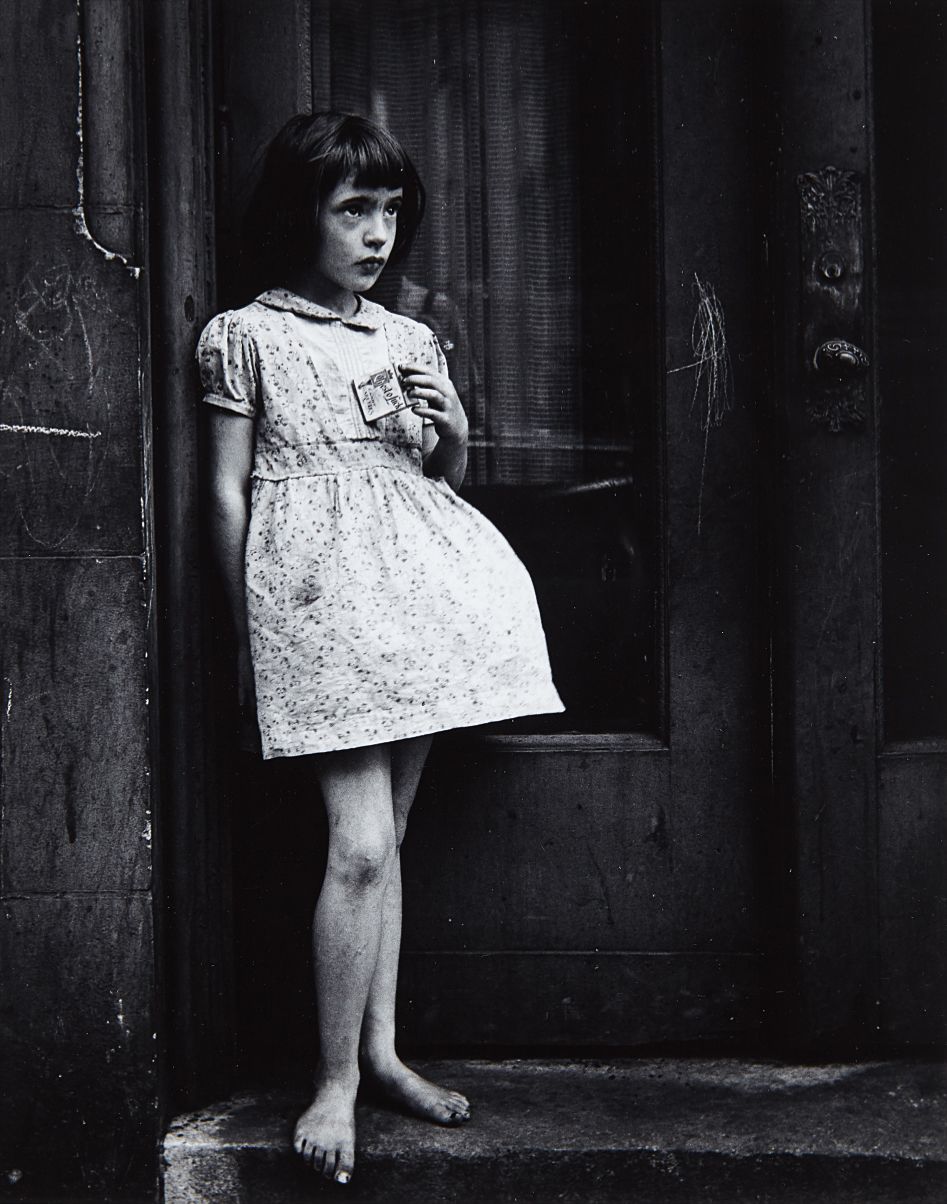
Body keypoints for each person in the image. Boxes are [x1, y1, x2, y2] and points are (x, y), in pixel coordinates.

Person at [198, 112, 563, 1186]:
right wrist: (247, 630)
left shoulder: (407, 338)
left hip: (413, 599)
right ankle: (334, 1083)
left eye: (389, 212)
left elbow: (437, 471)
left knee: (388, 833)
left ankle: (381, 1050)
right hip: (316, 604)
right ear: (297, 215)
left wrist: (450, 419)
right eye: (351, 210)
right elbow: (224, 497)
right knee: (356, 841)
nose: (376, 235)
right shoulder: (245, 336)